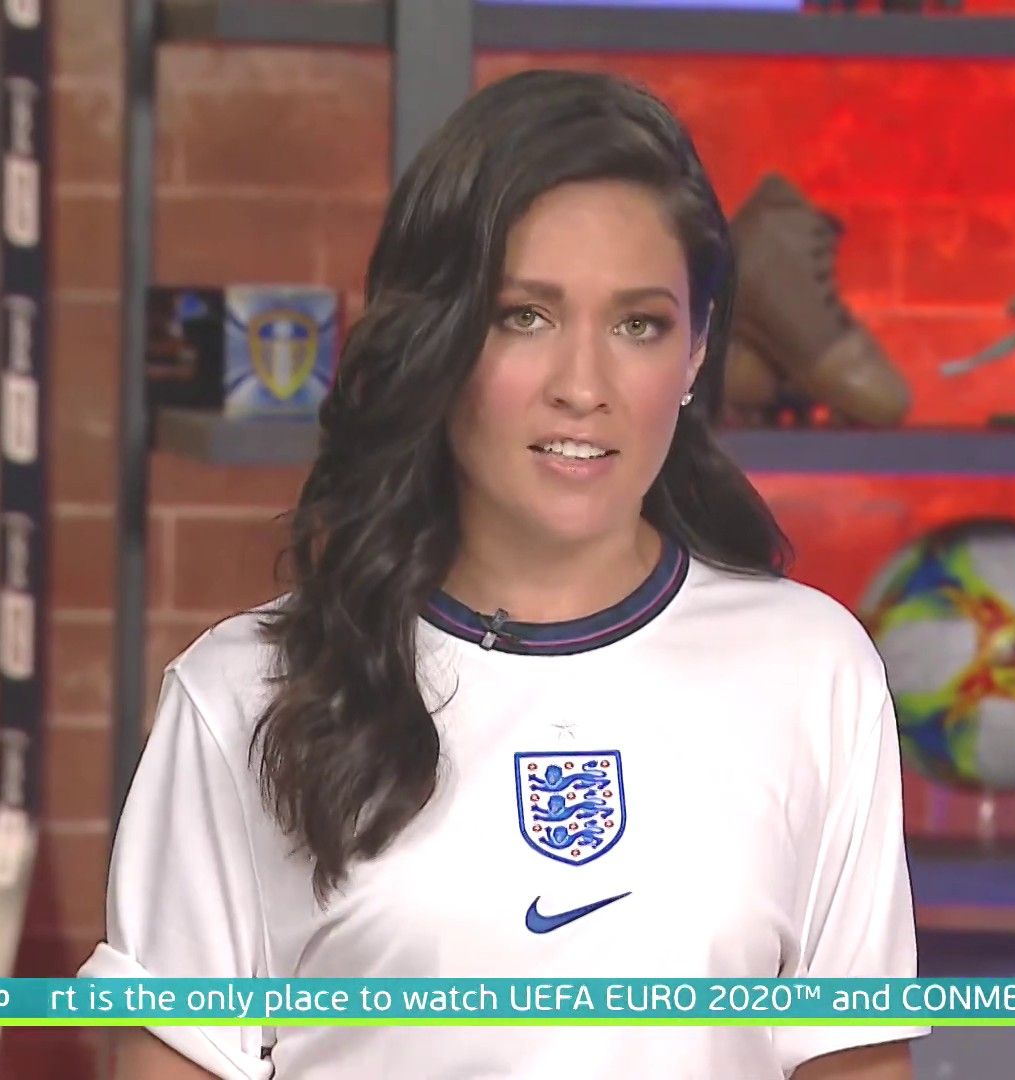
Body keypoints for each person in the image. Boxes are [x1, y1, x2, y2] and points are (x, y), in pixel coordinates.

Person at [83, 68, 929, 1080]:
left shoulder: (811, 669)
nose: (583, 387)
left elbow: (853, 1061)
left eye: (639, 325)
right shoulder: (245, 693)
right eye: (525, 316)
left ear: (699, 350)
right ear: (439, 338)